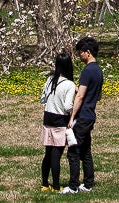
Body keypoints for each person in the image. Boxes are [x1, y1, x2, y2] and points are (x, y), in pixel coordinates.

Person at [62, 36, 103, 194]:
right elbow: (98, 96)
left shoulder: (87, 71)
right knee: (86, 150)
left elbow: (79, 97)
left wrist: (72, 117)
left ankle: (73, 186)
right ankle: (88, 183)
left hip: (82, 116)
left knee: (73, 151)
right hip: (91, 114)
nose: (79, 56)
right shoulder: (98, 70)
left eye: (80, 52)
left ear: (88, 52)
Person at [39, 52, 76, 192]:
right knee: (56, 154)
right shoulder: (69, 84)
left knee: (48, 153)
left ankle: (44, 183)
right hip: (60, 120)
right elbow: (67, 106)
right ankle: (55, 185)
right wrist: (72, 112)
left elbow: (43, 99)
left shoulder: (50, 80)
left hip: (47, 118)